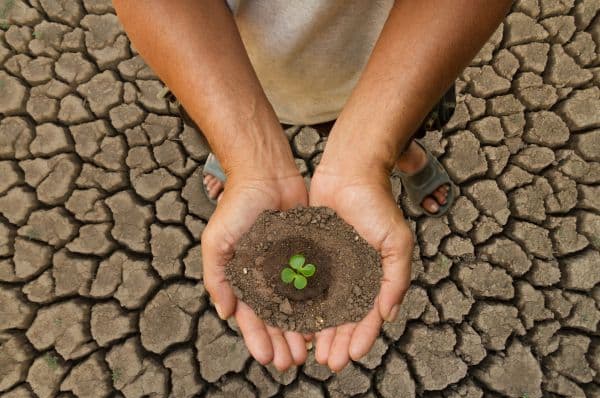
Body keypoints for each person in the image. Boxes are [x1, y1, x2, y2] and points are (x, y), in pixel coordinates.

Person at [113, 0, 512, 372]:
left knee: (399, 133)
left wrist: (367, 156)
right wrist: (248, 156)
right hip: (227, 68)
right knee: (230, 131)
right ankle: (239, 154)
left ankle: (396, 156)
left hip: (396, 68)